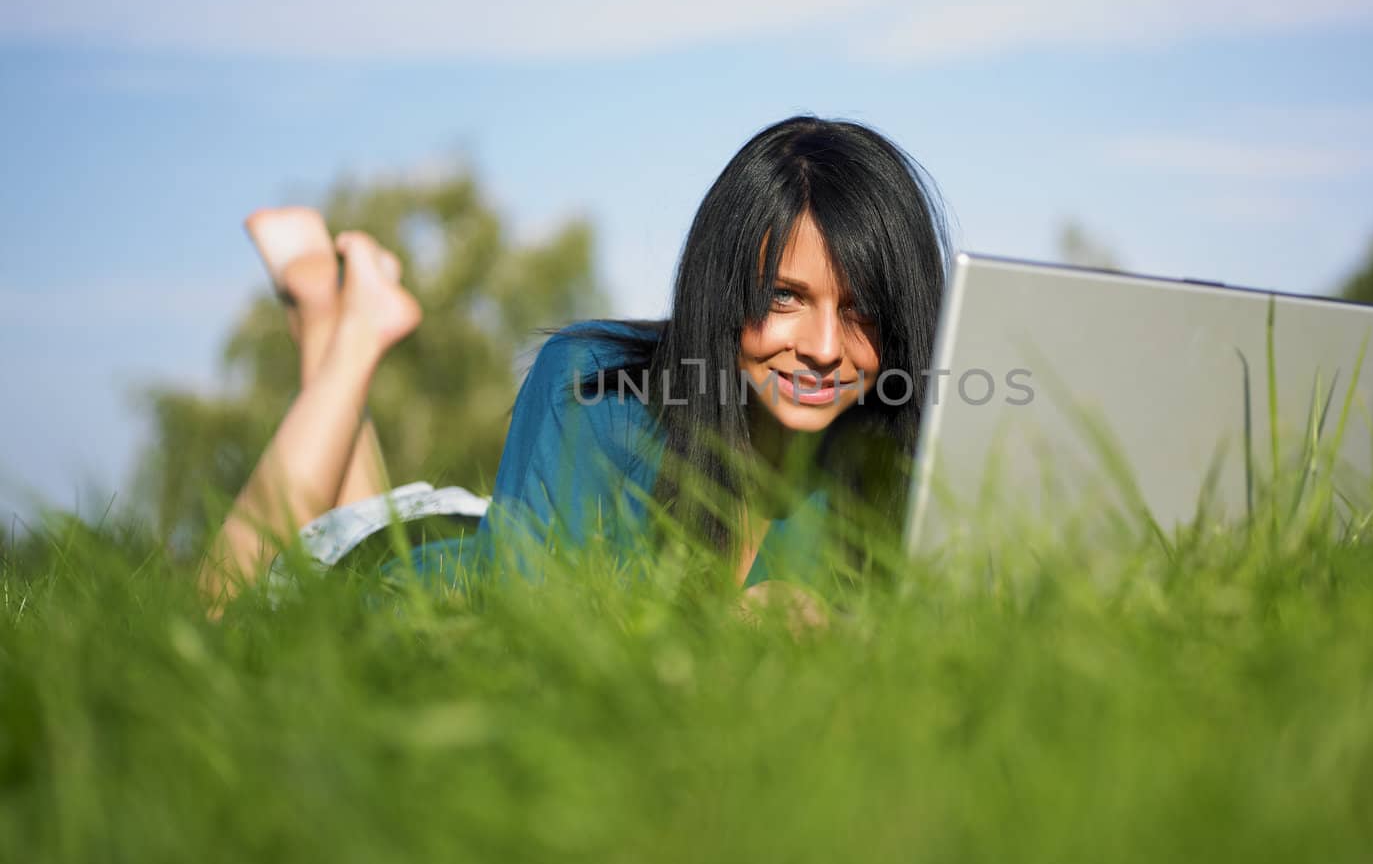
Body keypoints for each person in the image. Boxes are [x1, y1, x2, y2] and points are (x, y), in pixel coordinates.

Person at [200, 116, 951, 612]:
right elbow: (522, 635)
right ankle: (349, 330)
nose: (824, 347)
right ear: (725, 289)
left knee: (374, 511)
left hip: (483, 526)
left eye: (860, 311)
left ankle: (326, 307)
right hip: (400, 591)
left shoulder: (888, 468)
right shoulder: (593, 386)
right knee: (215, 609)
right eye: (786, 298)